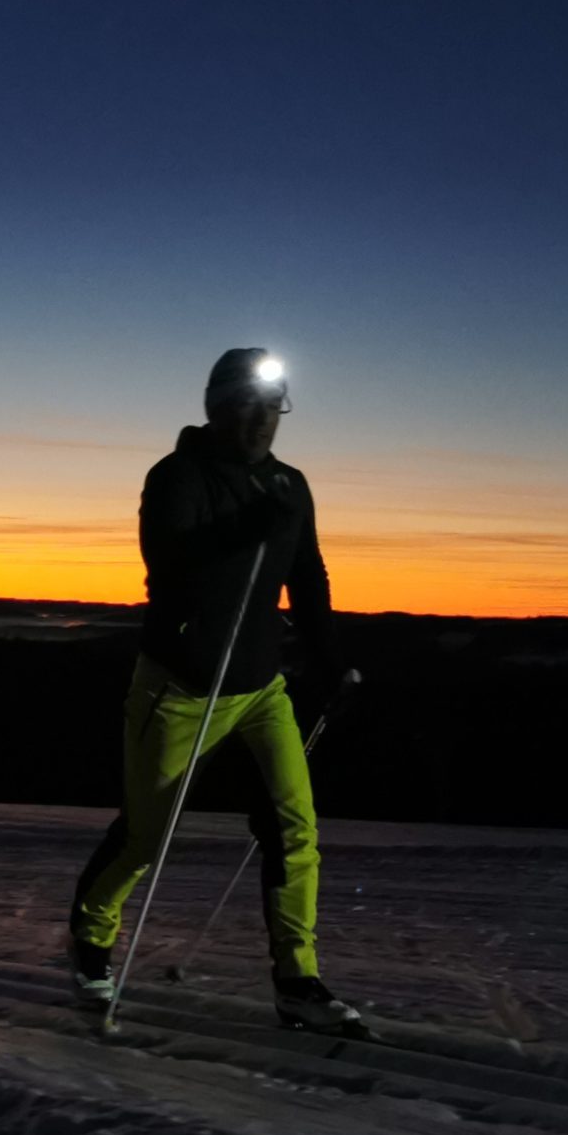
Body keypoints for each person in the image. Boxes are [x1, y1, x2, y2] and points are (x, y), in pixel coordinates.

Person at [69, 348, 365, 1033]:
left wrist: (328, 662)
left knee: (294, 830)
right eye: (247, 404)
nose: (261, 419)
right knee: (146, 836)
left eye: (273, 406)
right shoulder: (177, 476)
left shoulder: (290, 485)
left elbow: (308, 576)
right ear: (216, 406)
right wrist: (245, 529)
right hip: (180, 687)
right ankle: (90, 936)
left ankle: (298, 981)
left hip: (261, 687)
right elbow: (169, 566)